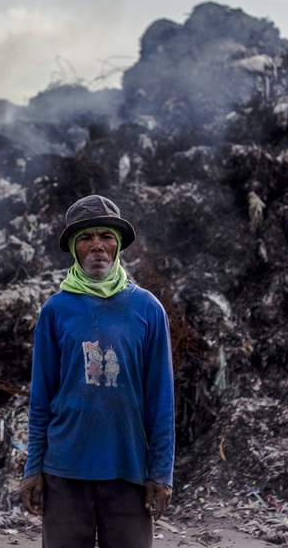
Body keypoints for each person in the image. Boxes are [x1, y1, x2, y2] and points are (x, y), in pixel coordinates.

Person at [19, 194, 175, 548]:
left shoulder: (147, 309)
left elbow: (161, 399)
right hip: (65, 471)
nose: (97, 247)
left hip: (128, 471)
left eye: (106, 236)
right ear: (74, 249)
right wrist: (34, 468)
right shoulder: (56, 310)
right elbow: (41, 398)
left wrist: (161, 472)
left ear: (118, 245)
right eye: (86, 238)